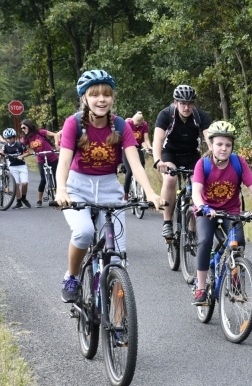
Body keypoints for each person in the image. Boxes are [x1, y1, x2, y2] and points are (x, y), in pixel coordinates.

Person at [55, 69, 163, 303]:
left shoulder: (121, 126)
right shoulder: (74, 123)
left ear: (112, 98)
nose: (101, 99)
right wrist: (61, 189)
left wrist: (151, 193)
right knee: (84, 232)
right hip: (77, 187)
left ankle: (119, 328)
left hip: (109, 190)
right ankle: (72, 276)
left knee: (117, 260)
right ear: (84, 98)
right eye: (95, 95)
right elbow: (64, 161)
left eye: (106, 94)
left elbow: (135, 165)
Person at [190, 120, 252, 305]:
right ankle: (201, 287)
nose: (223, 148)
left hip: (231, 211)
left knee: (238, 242)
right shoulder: (202, 164)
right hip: (207, 211)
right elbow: (196, 191)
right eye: (219, 144)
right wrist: (203, 207)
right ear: (211, 144)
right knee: (204, 241)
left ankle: (236, 282)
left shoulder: (238, 163)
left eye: (228, 145)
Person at [152, 84, 211, 239]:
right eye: (183, 103)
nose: (186, 107)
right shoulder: (166, 115)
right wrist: (158, 160)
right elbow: (157, 140)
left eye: (190, 103)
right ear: (175, 102)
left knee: (198, 185)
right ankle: (167, 222)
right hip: (170, 154)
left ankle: (192, 228)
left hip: (192, 155)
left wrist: (211, 153)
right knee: (170, 179)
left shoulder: (200, 117)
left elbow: (210, 140)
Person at [21, 118, 59, 207]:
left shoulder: (40, 132)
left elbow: (55, 135)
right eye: (21, 128)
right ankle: (39, 200)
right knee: (43, 179)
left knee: (56, 177)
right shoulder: (26, 138)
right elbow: (21, 147)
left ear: (29, 126)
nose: (23, 130)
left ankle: (58, 197)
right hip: (41, 158)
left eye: (24, 127)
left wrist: (57, 144)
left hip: (52, 157)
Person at [0, 128, 32, 208]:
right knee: (16, 184)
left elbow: (27, 152)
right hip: (13, 167)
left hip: (22, 166)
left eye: (11, 138)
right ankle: (18, 201)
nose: (9, 140)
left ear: (14, 137)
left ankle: (23, 197)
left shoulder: (20, 144)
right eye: (7, 138)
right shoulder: (5, 146)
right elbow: (2, 153)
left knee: (24, 183)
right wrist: (1, 154)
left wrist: (21, 156)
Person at [124, 111, 151, 200]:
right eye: (136, 125)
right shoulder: (128, 123)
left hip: (137, 148)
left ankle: (145, 193)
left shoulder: (144, 125)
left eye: (140, 125)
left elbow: (145, 140)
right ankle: (126, 193)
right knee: (130, 171)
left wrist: (148, 148)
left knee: (141, 170)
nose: (138, 126)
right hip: (126, 148)